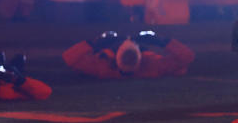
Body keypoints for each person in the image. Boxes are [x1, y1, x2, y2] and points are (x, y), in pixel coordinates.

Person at [63, 30, 194, 79]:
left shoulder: (102, 68)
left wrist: (94, 43)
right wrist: (160, 41)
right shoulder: (151, 67)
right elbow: (186, 57)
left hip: (109, 53)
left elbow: (69, 58)